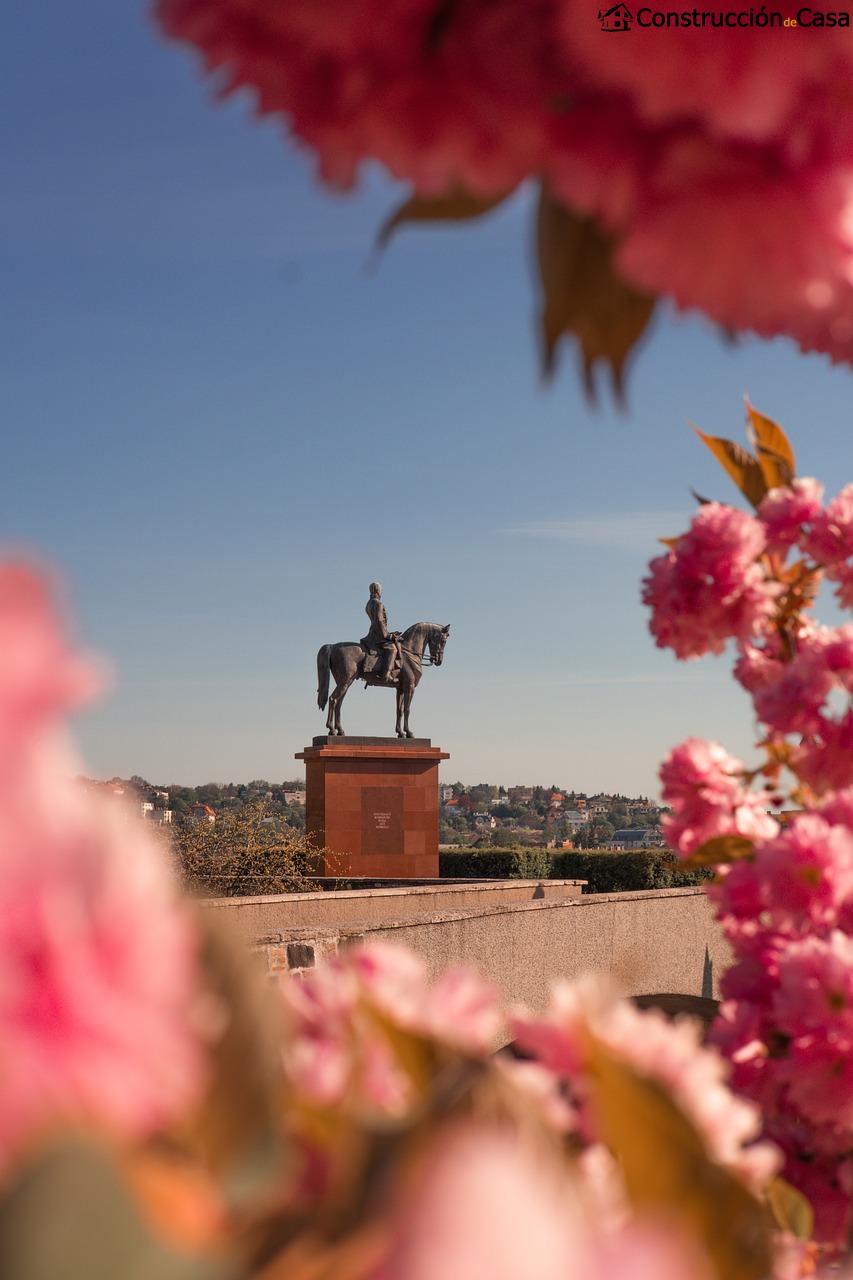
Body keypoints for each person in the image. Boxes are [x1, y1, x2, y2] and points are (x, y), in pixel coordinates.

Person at [361, 582, 402, 681]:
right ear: (378, 591)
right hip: (378, 635)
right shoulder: (378, 603)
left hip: (373, 632)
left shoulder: (369, 603)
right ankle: (386, 675)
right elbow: (379, 620)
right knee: (393, 649)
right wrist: (387, 635)